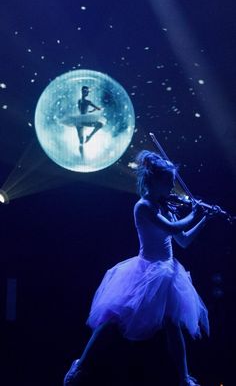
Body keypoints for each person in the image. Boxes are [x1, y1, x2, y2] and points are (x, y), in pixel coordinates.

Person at [64, 150, 219, 386]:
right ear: (154, 181)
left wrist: (204, 219)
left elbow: (184, 240)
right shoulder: (143, 207)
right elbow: (173, 229)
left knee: (172, 324)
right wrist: (195, 211)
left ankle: (183, 377)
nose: (171, 187)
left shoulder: (164, 206)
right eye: (168, 181)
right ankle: (80, 366)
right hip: (146, 272)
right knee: (112, 320)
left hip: (168, 271)